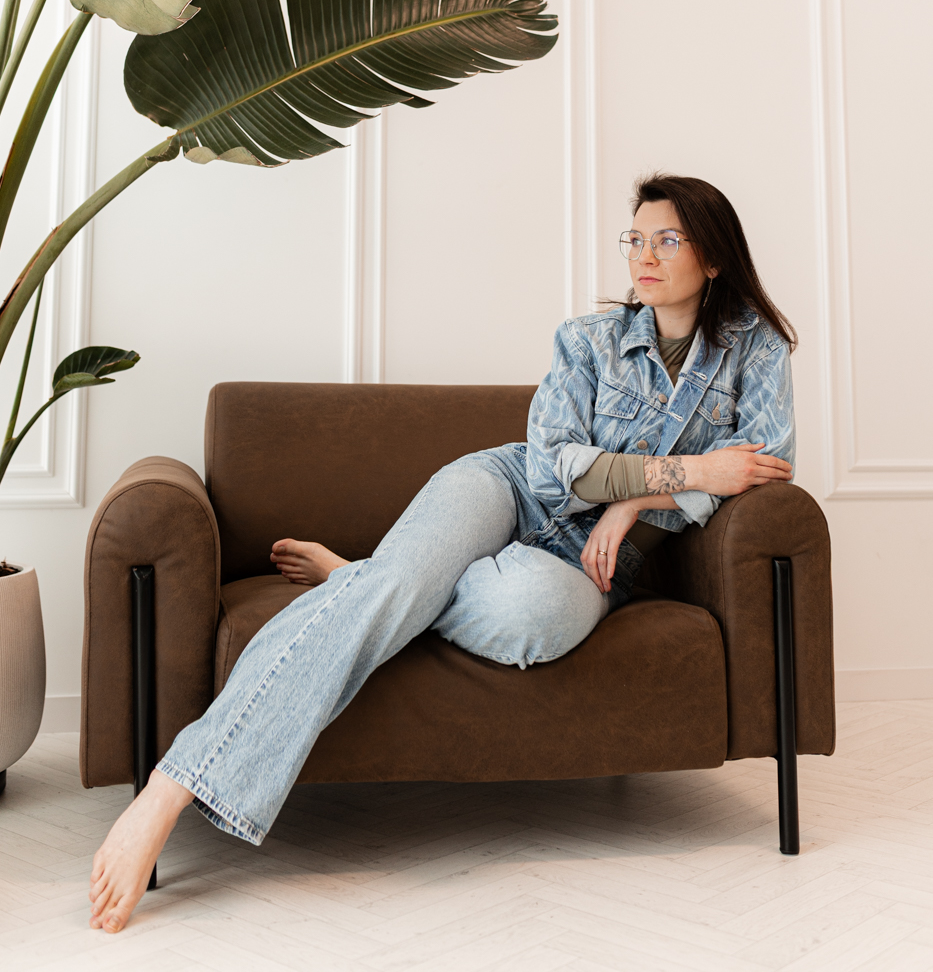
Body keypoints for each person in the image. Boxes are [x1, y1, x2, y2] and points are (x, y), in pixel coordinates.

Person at [88, 172, 795, 933]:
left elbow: (761, 466)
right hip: (507, 488)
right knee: (401, 583)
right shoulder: (586, 340)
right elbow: (556, 464)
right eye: (635, 239)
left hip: (590, 560)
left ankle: (369, 580)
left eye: (667, 240)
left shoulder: (756, 350)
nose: (643, 256)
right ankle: (170, 789)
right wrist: (686, 473)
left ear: (712, 257)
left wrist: (629, 504)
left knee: (527, 616)